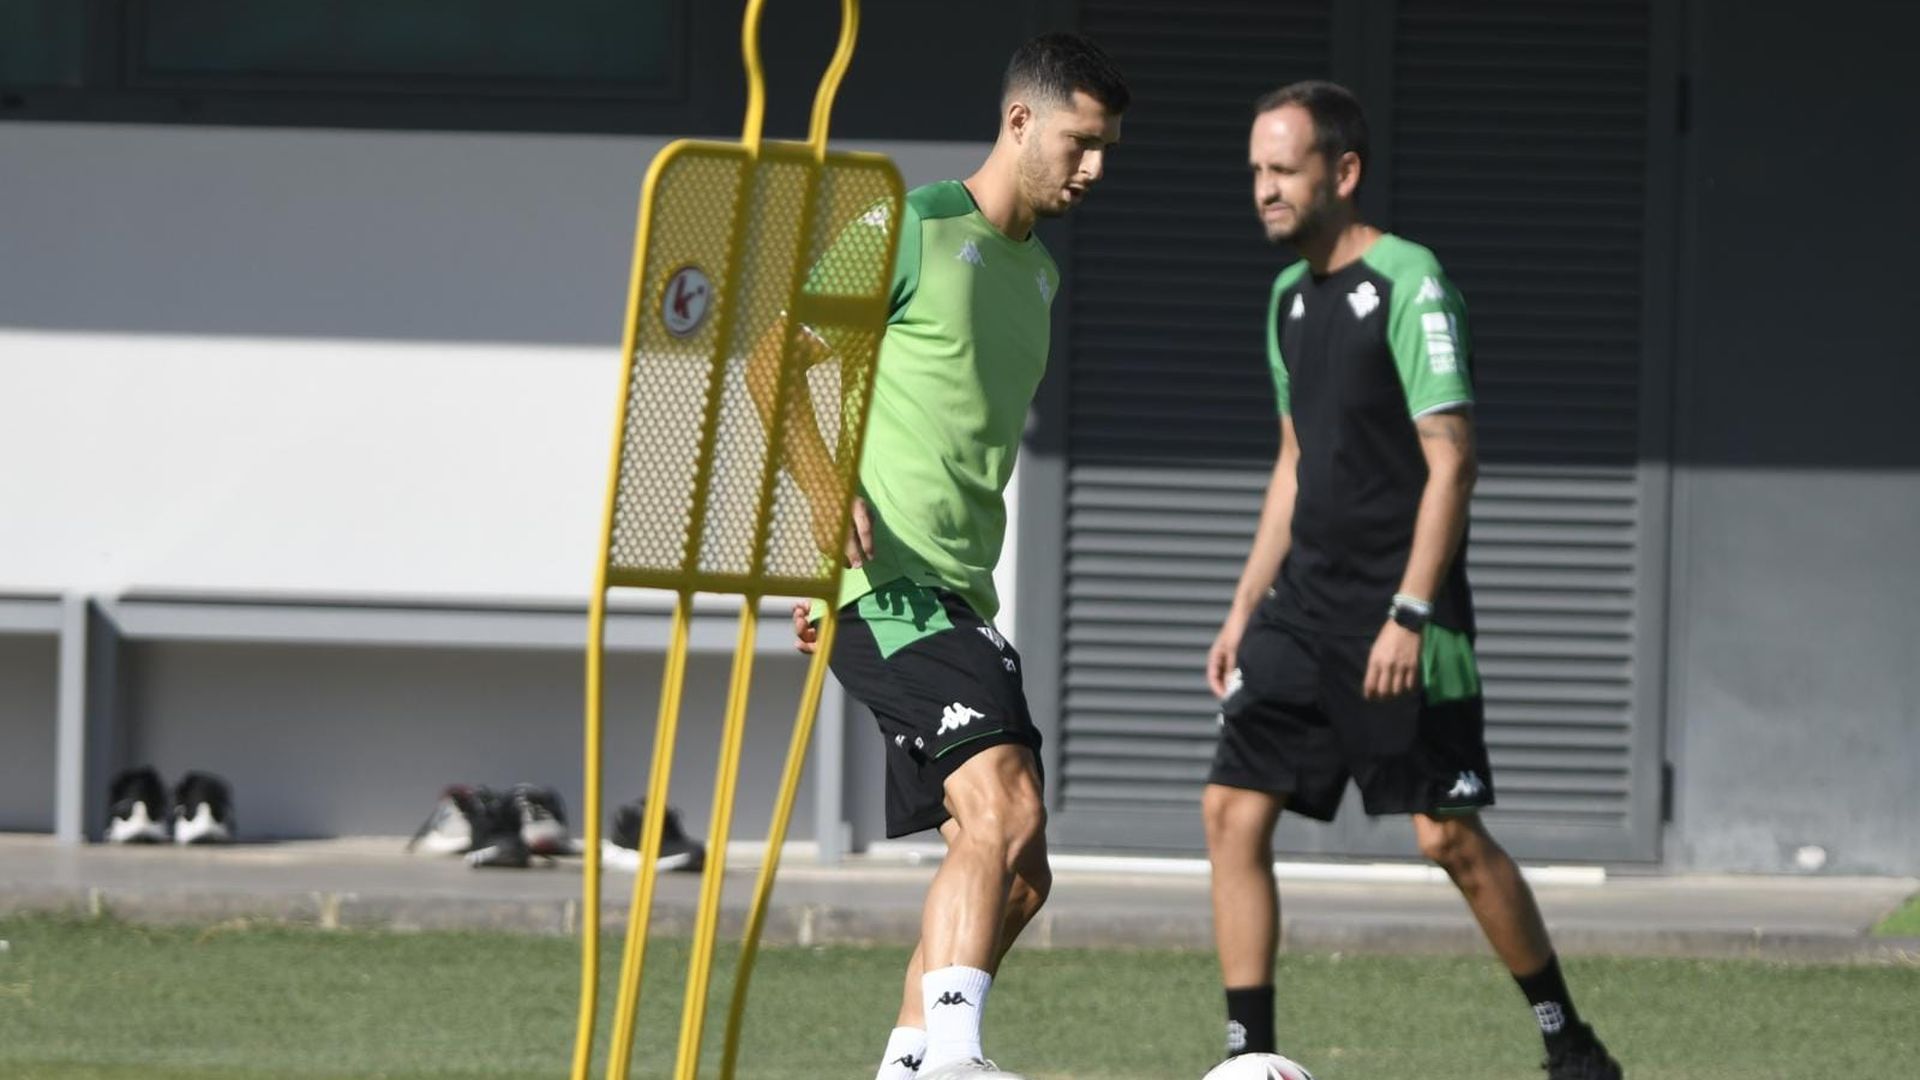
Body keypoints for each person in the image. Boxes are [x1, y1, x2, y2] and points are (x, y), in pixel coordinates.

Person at [1201, 80, 1623, 1080]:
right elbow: (1293, 464)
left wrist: (1409, 613)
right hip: (1301, 611)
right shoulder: (1284, 299)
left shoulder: (1409, 281)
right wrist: (1242, 607)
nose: (1262, 189)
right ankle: (1250, 1057)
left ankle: (1570, 1042)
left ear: (1342, 173)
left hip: (1400, 616)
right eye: (1255, 170)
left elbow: (1453, 460)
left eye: (1283, 170)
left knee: (1447, 838)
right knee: (1231, 810)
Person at [782, 32, 1128, 1080]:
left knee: (1020, 873)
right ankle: (960, 1059)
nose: (1094, 170)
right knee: (1003, 805)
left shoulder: (1042, 277)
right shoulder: (916, 225)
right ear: (1020, 122)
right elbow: (772, 359)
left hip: (957, 594)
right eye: (1079, 143)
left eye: (1107, 149)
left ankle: (908, 1066)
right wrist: (823, 497)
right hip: (890, 584)